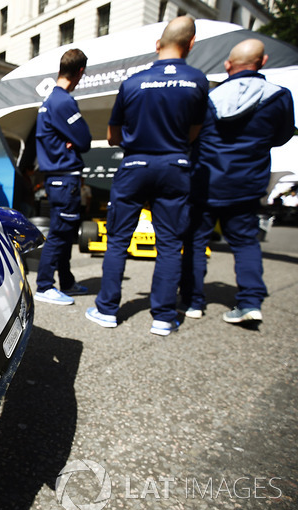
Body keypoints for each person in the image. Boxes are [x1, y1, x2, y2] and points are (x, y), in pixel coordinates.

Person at [85, 16, 209, 335]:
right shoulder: (197, 80)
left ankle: (107, 310)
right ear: (191, 44)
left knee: (117, 241)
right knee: (169, 243)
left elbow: (113, 135)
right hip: (176, 165)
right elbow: (195, 131)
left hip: (135, 165)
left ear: (157, 45)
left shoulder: (133, 82)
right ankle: (164, 317)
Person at [180, 38, 295, 325]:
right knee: (245, 242)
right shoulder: (279, 96)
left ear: (228, 65)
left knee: (195, 241)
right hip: (247, 183)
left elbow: (192, 137)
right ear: (262, 62)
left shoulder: (209, 98)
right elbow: (281, 137)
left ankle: (192, 301)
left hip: (205, 181)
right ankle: (249, 302)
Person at [33, 48, 92, 306]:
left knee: (65, 232)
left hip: (57, 177)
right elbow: (85, 140)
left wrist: (69, 141)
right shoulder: (63, 101)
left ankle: (66, 281)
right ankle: (45, 286)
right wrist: (71, 141)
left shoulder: (49, 102)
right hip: (64, 177)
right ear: (80, 72)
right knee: (60, 233)